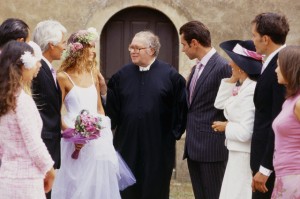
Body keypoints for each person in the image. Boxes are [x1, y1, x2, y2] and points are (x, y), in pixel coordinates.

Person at [51, 28, 133, 199]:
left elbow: (99, 108)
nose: (94, 51)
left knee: (98, 184)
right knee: (75, 182)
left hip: (97, 137)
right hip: (72, 138)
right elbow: (55, 112)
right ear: (78, 49)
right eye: (90, 47)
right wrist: (72, 135)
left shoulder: (94, 73)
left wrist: (103, 132)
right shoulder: (62, 77)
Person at [104, 30, 187, 199]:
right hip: (127, 143)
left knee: (155, 188)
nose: (133, 51)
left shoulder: (170, 76)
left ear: (151, 50)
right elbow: (113, 109)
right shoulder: (121, 75)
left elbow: (181, 108)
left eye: (137, 48)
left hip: (158, 146)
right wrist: (104, 93)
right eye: (131, 47)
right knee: (127, 189)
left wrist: (173, 134)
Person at [179, 20, 231, 199]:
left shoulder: (222, 67)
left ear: (194, 43)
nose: (183, 49)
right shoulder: (196, 68)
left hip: (212, 149)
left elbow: (229, 106)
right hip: (194, 147)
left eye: (184, 44)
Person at [0, 40, 55, 198]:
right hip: (26, 181)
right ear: (23, 65)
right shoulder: (22, 101)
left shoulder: (5, 100)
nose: (39, 66)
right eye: (36, 62)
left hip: (5, 178)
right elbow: (35, 145)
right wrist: (49, 170)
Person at [213, 40, 262, 199]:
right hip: (236, 153)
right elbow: (219, 104)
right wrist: (232, 80)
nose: (229, 63)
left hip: (244, 155)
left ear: (241, 66)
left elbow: (246, 132)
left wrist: (226, 126)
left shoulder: (250, 91)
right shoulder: (242, 87)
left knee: (238, 193)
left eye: (232, 60)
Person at [250, 12, 289, 198]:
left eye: (254, 35)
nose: (253, 40)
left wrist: (266, 167)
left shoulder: (282, 67)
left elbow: (278, 120)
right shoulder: (273, 61)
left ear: (265, 39)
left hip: (271, 164)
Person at [271, 46, 300, 199]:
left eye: (278, 65)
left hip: (295, 177)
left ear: (290, 68)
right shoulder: (289, 100)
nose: (275, 70)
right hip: (284, 175)